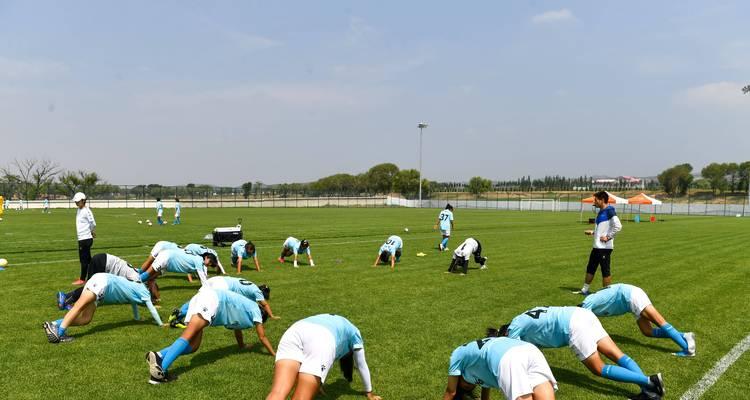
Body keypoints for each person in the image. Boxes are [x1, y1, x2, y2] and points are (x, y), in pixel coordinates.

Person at [495, 306, 664, 400]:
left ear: (504, 333)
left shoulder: (513, 328)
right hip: (582, 315)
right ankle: (648, 391)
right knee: (617, 354)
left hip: (571, 326)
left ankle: (649, 381)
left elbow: (515, 354)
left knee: (598, 368)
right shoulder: (523, 319)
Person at [145, 287, 275, 384]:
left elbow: (237, 329)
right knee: (188, 334)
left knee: (193, 345)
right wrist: (275, 354)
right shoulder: (256, 310)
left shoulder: (247, 307)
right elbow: (262, 337)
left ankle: (159, 355)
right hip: (212, 300)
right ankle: (160, 371)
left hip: (203, 297)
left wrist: (242, 346)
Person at [266, 314, 382, 400]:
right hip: (322, 337)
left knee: (277, 392)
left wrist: (317, 384)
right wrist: (369, 392)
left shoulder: (336, 321)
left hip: (295, 330)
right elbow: (361, 365)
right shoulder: (355, 333)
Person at [42, 273, 163, 344]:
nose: (153, 300)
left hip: (100, 280)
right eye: (155, 297)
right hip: (104, 283)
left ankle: (54, 325)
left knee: (86, 318)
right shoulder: (145, 292)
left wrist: (137, 318)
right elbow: (152, 309)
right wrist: (161, 324)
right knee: (78, 307)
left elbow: (134, 304)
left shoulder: (138, 287)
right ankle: (60, 334)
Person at [581, 283, 695, 356]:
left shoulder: (587, 304)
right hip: (630, 302)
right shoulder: (588, 305)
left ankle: (687, 349)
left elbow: (586, 325)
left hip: (631, 296)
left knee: (661, 322)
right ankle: (684, 336)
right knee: (647, 331)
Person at [443, 336, 557, 400]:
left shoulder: (456, 355)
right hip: (530, 350)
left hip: (508, 357)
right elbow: (484, 386)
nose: (468, 386)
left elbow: (451, 392)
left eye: (464, 386)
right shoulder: (479, 369)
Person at [168, 276, 280, 328]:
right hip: (222, 286)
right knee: (206, 303)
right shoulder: (257, 292)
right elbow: (264, 304)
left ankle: (178, 314)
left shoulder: (252, 286)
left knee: (199, 298)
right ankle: (184, 318)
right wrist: (272, 316)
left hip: (218, 279)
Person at [56, 253, 140, 309]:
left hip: (102, 259)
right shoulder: (136, 277)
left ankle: (66, 297)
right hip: (102, 262)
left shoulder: (135, 272)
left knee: (90, 287)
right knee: (90, 288)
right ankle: (66, 299)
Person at [579, 191, 622, 295]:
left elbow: (618, 226)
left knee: (605, 270)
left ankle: (606, 294)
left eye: (596, 200)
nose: (594, 202)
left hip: (604, 248)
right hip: (597, 246)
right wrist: (593, 232)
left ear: (602, 200)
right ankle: (584, 290)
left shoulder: (610, 210)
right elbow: (603, 228)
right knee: (591, 268)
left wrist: (608, 237)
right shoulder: (601, 211)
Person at [138, 249, 216, 303]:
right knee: (147, 274)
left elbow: (204, 277)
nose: (209, 265)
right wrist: (210, 293)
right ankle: (133, 284)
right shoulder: (199, 261)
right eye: (210, 262)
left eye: (211, 265)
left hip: (168, 264)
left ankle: (150, 299)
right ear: (206, 257)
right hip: (167, 257)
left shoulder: (199, 260)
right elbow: (203, 281)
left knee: (151, 278)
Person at [73, 192, 96, 286]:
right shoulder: (79, 210)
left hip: (85, 239)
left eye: (78, 202)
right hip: (82, 238)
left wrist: (91, 231)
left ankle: (82, 279)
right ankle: (95, 274)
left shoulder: (87, 211)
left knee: (83, 260)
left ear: (83, 201)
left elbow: (93, 223)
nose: (76, 203)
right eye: (75, 202)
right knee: (89, 260)